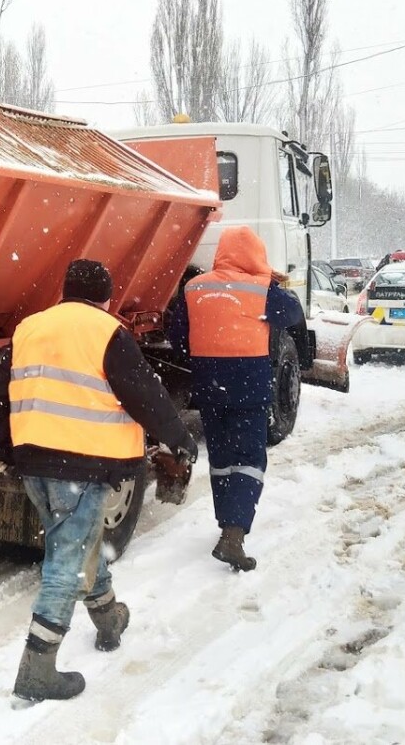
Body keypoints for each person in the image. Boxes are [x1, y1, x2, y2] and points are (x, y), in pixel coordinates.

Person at [0, 259, 198, 702]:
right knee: (65, 563)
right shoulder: (106, 331)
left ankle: (108, 618)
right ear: (106, 297)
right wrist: (178, 438)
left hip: (33, 464)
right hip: (81, 463)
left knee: (76, 542)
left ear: (65, 292)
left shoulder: (30, 328)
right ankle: (36, 670)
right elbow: (143, 393)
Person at [167, 227, 304, 572]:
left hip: (209, 386)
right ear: (256, 256)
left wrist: (202, 355)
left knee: (222, 456)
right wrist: (266, 278)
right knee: (248, 458)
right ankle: (234, 533)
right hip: (249, 386)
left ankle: (226, 520)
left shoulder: (194, 288)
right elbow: (294, 314)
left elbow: (177, 333)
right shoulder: (264, 290)